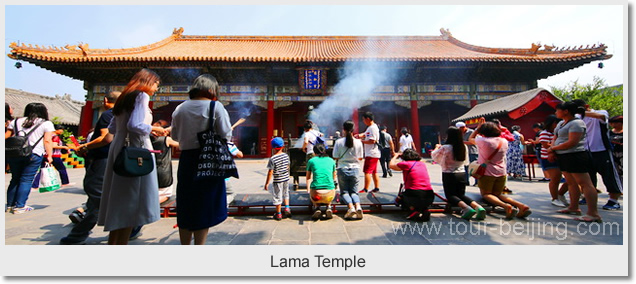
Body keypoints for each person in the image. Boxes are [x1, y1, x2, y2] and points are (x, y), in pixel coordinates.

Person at [97, 69, 167, 245]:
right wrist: (154, 129)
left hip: (119, 148)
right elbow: (135, 124)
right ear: (148, 81)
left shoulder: (124, 97)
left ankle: (115, 242)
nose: (156, 89)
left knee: (120, 200)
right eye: (156, 85)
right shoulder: (141, 96)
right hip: (136, 152)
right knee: (131, 201)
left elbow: (113, 128)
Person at [171, 74, 232, 245]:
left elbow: (175, 135)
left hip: (187, 160)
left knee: (185, 202)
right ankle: (199, 245)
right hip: (208, 159)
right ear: (213, 89)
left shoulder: (180, 108)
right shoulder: (216, 106)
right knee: (204, 204)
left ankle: (185, 244)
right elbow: (226, 134)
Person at [60, 91, 120, 245]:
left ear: (106, 100)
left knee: (97, 197)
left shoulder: (109, 114)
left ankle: (78, 234)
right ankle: (130, 228)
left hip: (102, 160)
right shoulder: (124, 114)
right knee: (107, 197)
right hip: (116, 159)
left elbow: (105, 138)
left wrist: (84, 146)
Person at [548, 101, 601, 222]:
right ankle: (574, 207)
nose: (556, 112)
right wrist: (552, 150)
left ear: (566, 111)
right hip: (563, 155)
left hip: (575, 155)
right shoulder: (561, 123)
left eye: (558, 110)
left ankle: (593, 213)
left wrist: (553, 148)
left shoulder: (577, 123)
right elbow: (555, 138)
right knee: (571, 182)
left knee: (585, 183)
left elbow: (572, 142)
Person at [469, 122, 532, 219]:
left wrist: (477, 129)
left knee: (486, 194)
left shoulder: (483, 141)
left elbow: (470, 139)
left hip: (487, 172)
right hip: (502, 171)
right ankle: (521, 205)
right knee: (497, 194)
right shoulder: (504, 141)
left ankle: (506, 207)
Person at [572, 99, 622, 210]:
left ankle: (614, 200)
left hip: (601, 149)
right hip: (585, 150)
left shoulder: (601, 113)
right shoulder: (577, 118)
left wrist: (582, 112)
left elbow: (602, 118)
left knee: (608, 175)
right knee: (588, 176)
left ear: (587, 106)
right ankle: (588, 196)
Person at [5, 103, 55, 214]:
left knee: (15, 179)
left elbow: (6, 137)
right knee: (26, 179)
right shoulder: (46, 123)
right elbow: (47, 141)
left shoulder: (15, 121)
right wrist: (49, 155)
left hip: (15, 153)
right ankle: (20, 206)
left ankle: (9, 205)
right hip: (34, 154)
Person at [432, 126, 486, 221]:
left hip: (449, 173)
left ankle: (466, 208)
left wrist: (436, 147)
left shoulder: (446, 147)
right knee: (461, 195)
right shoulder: (463, 146)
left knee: (451, 195)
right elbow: (466, 161)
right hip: (461, 173)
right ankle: (478, 207)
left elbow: (434, 156)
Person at [389, 149, 434, 221]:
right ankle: (425, 210)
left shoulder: (405, 164)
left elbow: (391, 165)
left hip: (413, 194)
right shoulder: (422, 164)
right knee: (420, 198)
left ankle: (413, 210)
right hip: (430, 195)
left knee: (402, 197)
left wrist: (395, 156)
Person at [332, 120, 364, 220]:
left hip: (342, 168)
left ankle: (350, 208)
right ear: (353, 129)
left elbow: (335, 156)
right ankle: (358, 206)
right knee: (354, 192)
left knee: (344, 192)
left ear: (344, 129)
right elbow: (360, 157)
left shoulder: (338, 142)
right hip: (355, 168)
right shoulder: (358, 142)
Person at [538, 115, 569, 208]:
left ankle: (560, 193)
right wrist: (558, 147)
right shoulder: (544, 133)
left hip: (561, 156)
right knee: (555, 178)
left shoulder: (559, 133)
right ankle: (555, 198)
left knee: (571, 178)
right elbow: (545, 145)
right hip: (549, 157)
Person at [31, 124, 72, 189]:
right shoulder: (55, 137)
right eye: (62, 130)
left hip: (45, 155)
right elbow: (53, 145)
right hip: (54, 155)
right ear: (57, 129)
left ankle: (35, 185)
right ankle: (65, 182)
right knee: (62, 169)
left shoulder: (46, 136)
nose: (62, 132)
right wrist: (64, 147)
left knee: (42, 170)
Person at [150, 120, 179, 204]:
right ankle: (152, 205)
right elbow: (180, 145)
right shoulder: (166, 140)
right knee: (166, 194)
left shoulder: (147, 140)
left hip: (151, 170)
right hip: (164, 172)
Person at [306, 143, 337, 220]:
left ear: (314, 152)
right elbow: (334, 176)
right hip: (330, 195)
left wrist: (308, 190)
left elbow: (308, 177)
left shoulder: (311, 161)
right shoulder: (331, 160)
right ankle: (328, 207)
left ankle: (317, 207)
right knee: (329, 191)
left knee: (314, 192)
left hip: (316, 195)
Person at [264, 137, 291, 221]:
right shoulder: (286, 156)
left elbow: (270, 172)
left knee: (277, 195)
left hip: (278, 180)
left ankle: (278, 213)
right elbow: (287, 166)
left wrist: (267, 183)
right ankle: (287, 208)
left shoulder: (273, 158)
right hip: (286, 178)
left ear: (273, 147)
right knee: (286, 192)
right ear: (283, 146)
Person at [356, 112, 381, 193]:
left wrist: (361, 141)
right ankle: (376, 188)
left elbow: (372, 140)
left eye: (363, 119)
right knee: (374, 172)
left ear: (368, 119)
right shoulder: (371, 127)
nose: (363, 121)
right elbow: (366, 134)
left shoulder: (372, 128)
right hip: (374, 153)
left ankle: (365, 188)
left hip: (371, 153)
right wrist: (359, 135)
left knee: (367, 171)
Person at [608, 115, 623, 185]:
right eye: (612, 123)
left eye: (616, 123)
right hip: (613, 154)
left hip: (623, 154)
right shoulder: (609, 133)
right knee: (616, 171)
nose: (613, 125)